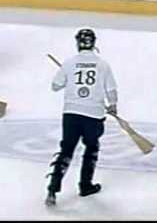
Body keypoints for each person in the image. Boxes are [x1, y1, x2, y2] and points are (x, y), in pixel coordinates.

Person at [45, 28, 118, 206]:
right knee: (91, 148)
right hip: (94, 114)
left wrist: (68, 78)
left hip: (71, 114)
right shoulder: (102, 64)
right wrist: (113, 105)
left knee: (66, 150)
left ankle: (52, 190)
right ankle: (85, 185)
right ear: (94, 43)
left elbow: (55, 86)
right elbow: (111, 90)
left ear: (78, 43)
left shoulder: (69, 63)